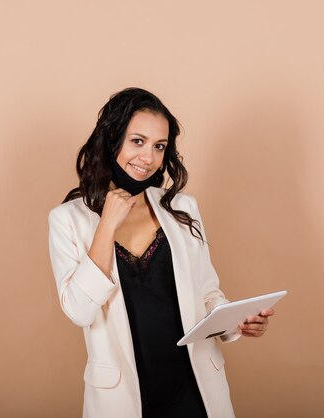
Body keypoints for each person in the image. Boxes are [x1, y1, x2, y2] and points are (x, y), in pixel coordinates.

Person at [48, 88, 274, 418]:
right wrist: (106, 225)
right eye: (137, 141)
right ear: (112, 139)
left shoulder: (182, 208)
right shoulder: (67, 219)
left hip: (194, 387)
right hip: (123, 399)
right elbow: (80, 311)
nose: (149, 158)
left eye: (159, 146)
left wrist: (236, 322)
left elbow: (208, 292)